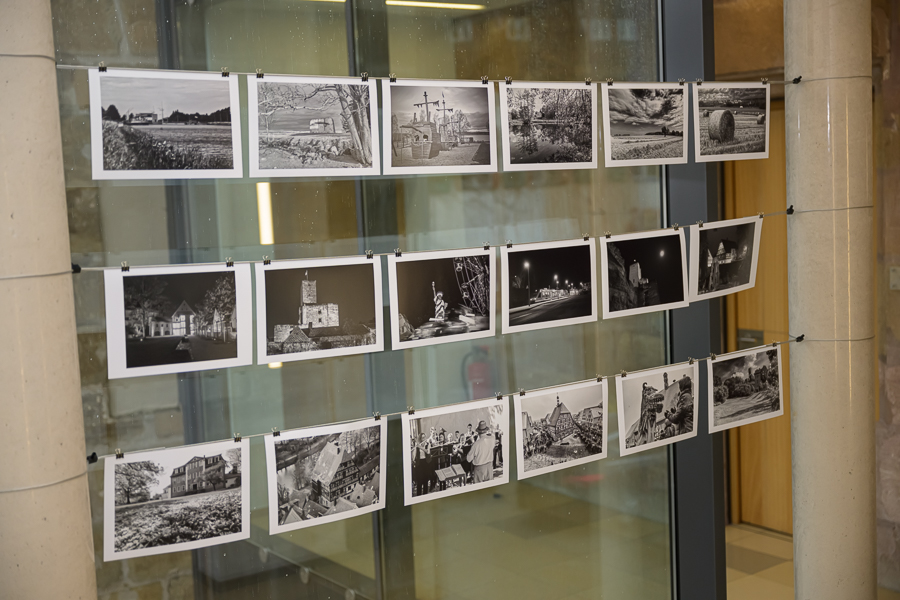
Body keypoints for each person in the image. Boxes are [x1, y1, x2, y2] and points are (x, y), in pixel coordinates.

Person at [411, 432, 432, 496]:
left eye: (424, 437)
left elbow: (428, 452)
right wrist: (415, 448)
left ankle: (425, 494)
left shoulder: (427, 444)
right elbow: (414, 455)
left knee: (425, 479)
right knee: (419, 480)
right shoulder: (418, 445)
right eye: (422, 438)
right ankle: (419, 495)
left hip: (426, 463)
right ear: (420, 438)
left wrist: (420, 447)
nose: (423, 439)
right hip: (419, 463)